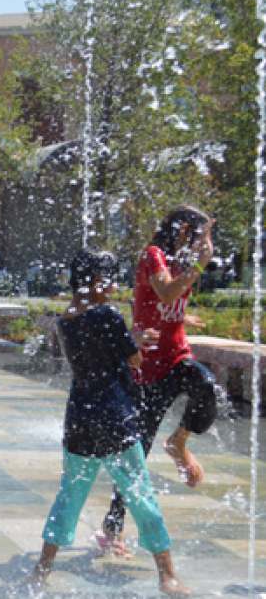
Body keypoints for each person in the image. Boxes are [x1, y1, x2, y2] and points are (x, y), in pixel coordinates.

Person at [26, 250, 191, 597]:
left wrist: (127, 340)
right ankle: (167, 576)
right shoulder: (108, 315)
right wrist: (136, 343)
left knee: (69, 497)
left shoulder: (65, 319)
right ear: (95, 280)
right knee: (140, 495)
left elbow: (96, 353)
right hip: (115, 417)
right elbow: (132, 358)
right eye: (110, 278)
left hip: (79, 419)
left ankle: (41, 571)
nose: (114, 285)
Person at [99, 205, 220, 558]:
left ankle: (179, 443)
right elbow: (166, 292)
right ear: (182, 230)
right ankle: (112, 525)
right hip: (148, 369)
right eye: (200, 236)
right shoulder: (153, 255)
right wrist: (199, 264)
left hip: (176, 354)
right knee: (138, 451)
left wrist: (183, 315)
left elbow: (168, 304)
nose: (202, 244)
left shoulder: (179, 261)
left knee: (207, 386)